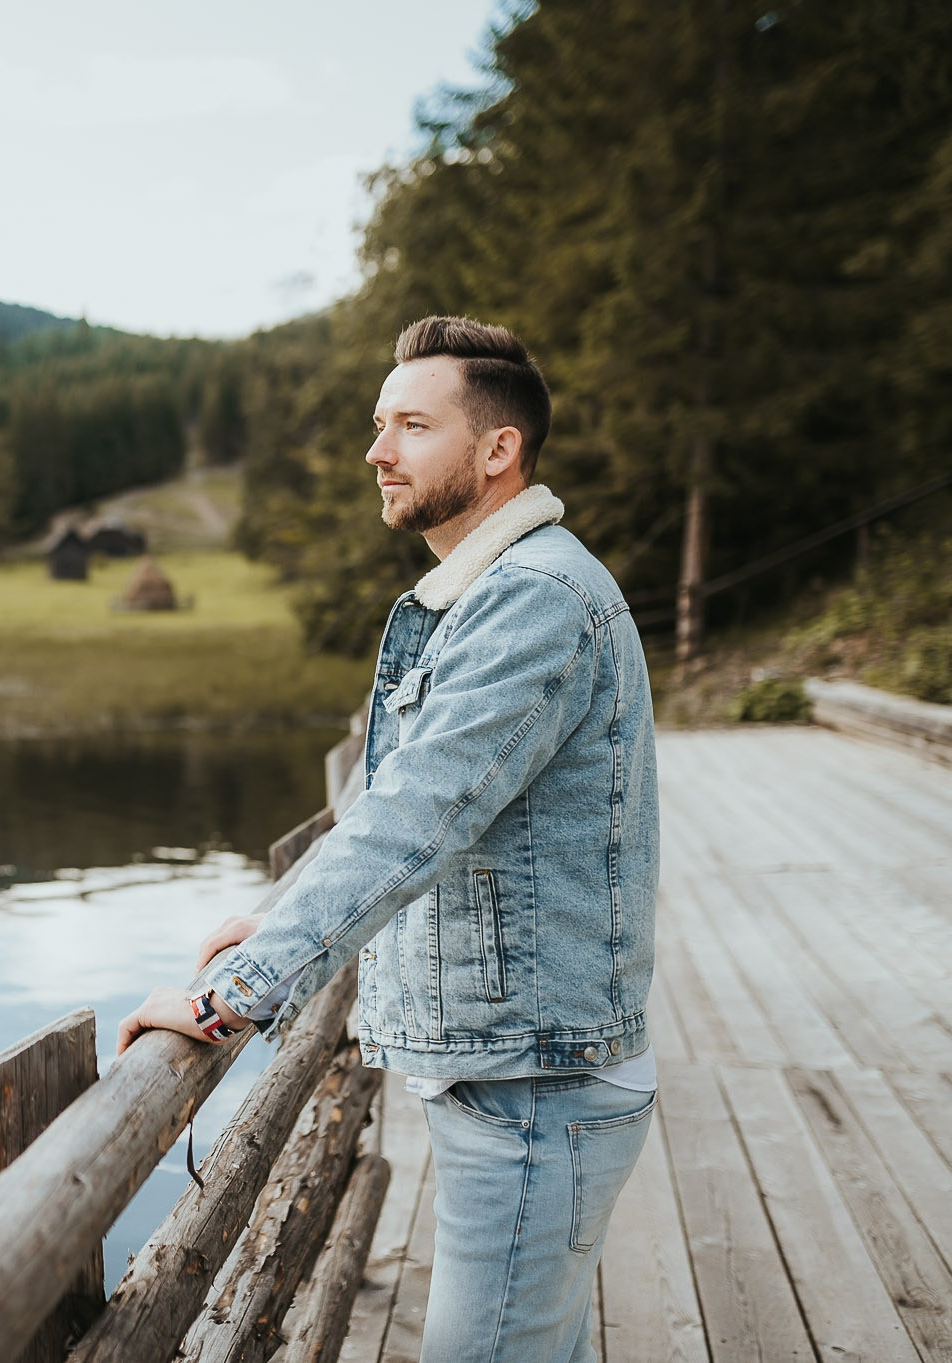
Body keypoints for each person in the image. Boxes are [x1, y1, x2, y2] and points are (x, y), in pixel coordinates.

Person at [116, 316, 658, 1363]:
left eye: (410, 424)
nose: (376, 451)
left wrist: (222, 999)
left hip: (531, 1092)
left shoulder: (533, 602)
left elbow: (420, 818)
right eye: (378, 424)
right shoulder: (484, 593)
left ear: (496, 449)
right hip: (518, 1077)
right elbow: (389, 794)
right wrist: (272, 914)